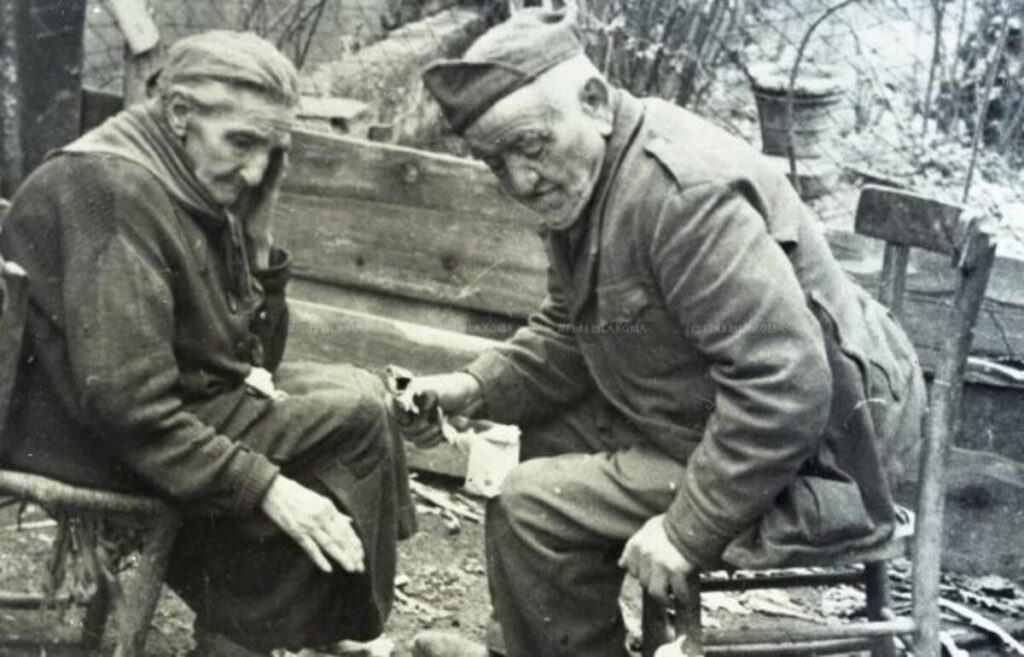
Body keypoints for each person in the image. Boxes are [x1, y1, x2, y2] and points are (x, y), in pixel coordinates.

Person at [406, 9, 926, 657]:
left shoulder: (680, 196)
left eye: (531, 147)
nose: (520, 180)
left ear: (594, 102)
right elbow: (576, 329)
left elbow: (785, 386)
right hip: (747, 412)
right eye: (495, 162)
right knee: (548, 430)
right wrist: (471, 386)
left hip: (830, 460)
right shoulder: (591, 172)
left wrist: (687, 530)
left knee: (531, 505)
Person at [0, 31, 419, 656]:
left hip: (133, 413)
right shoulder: (115, 190)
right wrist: (267, 488)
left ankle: (286, 627)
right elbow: (126, 406)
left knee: (359, 392)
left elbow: (254, 358)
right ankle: (251, 638)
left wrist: (258, 238)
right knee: (350, 421)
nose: (255, 170)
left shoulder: (190, 180)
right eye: (242, 143)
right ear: (179, 115)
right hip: (71, 435)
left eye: (271, 151)